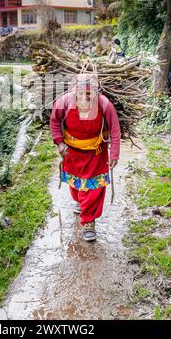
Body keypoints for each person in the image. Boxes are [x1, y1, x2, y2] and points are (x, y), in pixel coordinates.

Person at [50, 73, 121, 242]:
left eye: (89, 94)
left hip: (96, 153)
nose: (85, 97)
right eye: (81, 93)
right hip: (72, 152)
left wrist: (114, 154)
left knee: (94, 188)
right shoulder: (64, 102)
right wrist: (60, 143)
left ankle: (89, 221)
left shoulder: (105, 105)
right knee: (75, 184)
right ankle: (81, 204)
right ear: (75, 92)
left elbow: (115, 129)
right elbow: (54, 122)